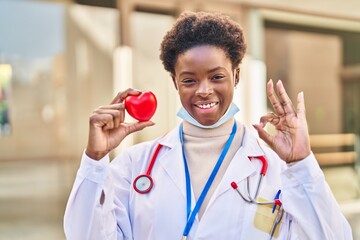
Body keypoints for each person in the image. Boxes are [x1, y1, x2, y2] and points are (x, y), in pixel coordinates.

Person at [64, 11, 352, 240]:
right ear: (175, 82)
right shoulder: (135, 166)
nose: (203, 90)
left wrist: (302, 164)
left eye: (216, 77)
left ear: (236, 76)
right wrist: (95, 160)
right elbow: (83, 235)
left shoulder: (276, 168)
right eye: (189, 80)